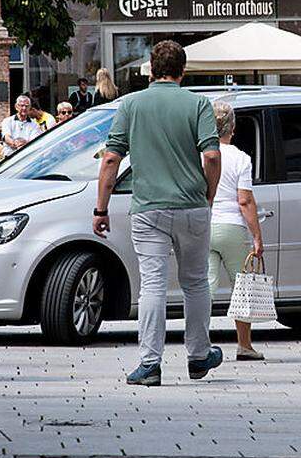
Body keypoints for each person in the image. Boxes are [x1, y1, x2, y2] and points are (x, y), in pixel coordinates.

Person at [93, 40, 222, 387]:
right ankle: (198, 356)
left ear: (151, 69)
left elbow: (110, 158)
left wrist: (101, 207)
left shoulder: (130, 105)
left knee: (152, 285)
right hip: (192, 206)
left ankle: (150, 363)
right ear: (183, 71)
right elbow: (211, 156)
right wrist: (207, 194)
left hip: (148, 208)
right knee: (195, 282)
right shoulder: (198, 104)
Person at [207, 101, 266, 361]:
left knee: (204, 286)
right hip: (231, 226)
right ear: (232, 127)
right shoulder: (241, 158)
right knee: (240, 287)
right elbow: (244, 200)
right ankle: (244, 345)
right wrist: (256, 236)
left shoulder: (200, 154)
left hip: (204, 225)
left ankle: (199, 342)